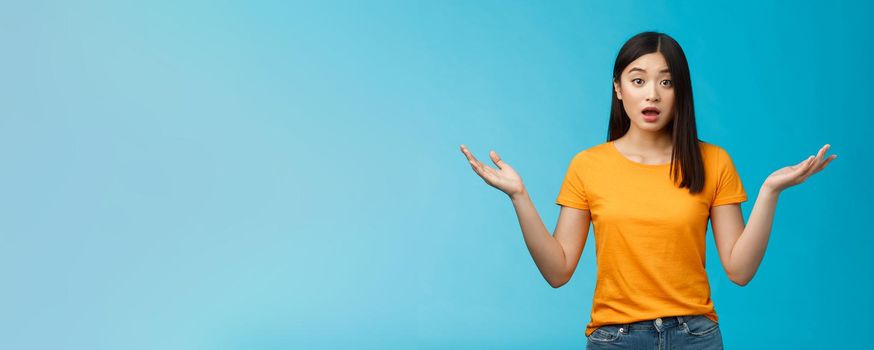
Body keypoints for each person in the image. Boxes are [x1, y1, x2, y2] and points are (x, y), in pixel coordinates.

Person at [458, 31, 836, 350]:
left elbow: (739, 270)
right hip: (615, 338)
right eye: (638, 80)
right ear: (618, 89)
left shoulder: (714, 162)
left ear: (680, 91)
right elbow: (558, 271)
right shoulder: (588, 166)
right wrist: (519, 196)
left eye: (666, 81)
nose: (652, 94)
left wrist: (770, 191)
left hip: (696, 337)